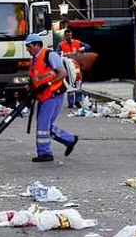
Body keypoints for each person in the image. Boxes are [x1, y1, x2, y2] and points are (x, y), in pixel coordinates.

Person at [25, 34, 78, 162]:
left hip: (53, 95)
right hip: (43, 96)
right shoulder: (34, 60)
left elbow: (62, 73)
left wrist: (48, 84)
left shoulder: (50, 55)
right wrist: (29, 88)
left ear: (37, 45)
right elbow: (36, 78)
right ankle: (69, 139)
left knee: (43, 125)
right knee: (45, 125)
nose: (27, 49)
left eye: (29, 46)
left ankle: (45, 153)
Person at [56, 28, 91, 108]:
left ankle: (77, 101)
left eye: (70, 35)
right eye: (67, 35)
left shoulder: (77, 42)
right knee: (70, 84)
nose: (69, 37)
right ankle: (71, 102)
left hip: (77, 67)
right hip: (68, 67)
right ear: (64, 35)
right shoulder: (61, 45)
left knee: (78, 83)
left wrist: (82, 48)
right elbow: (57, 52)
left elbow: (87, 46)